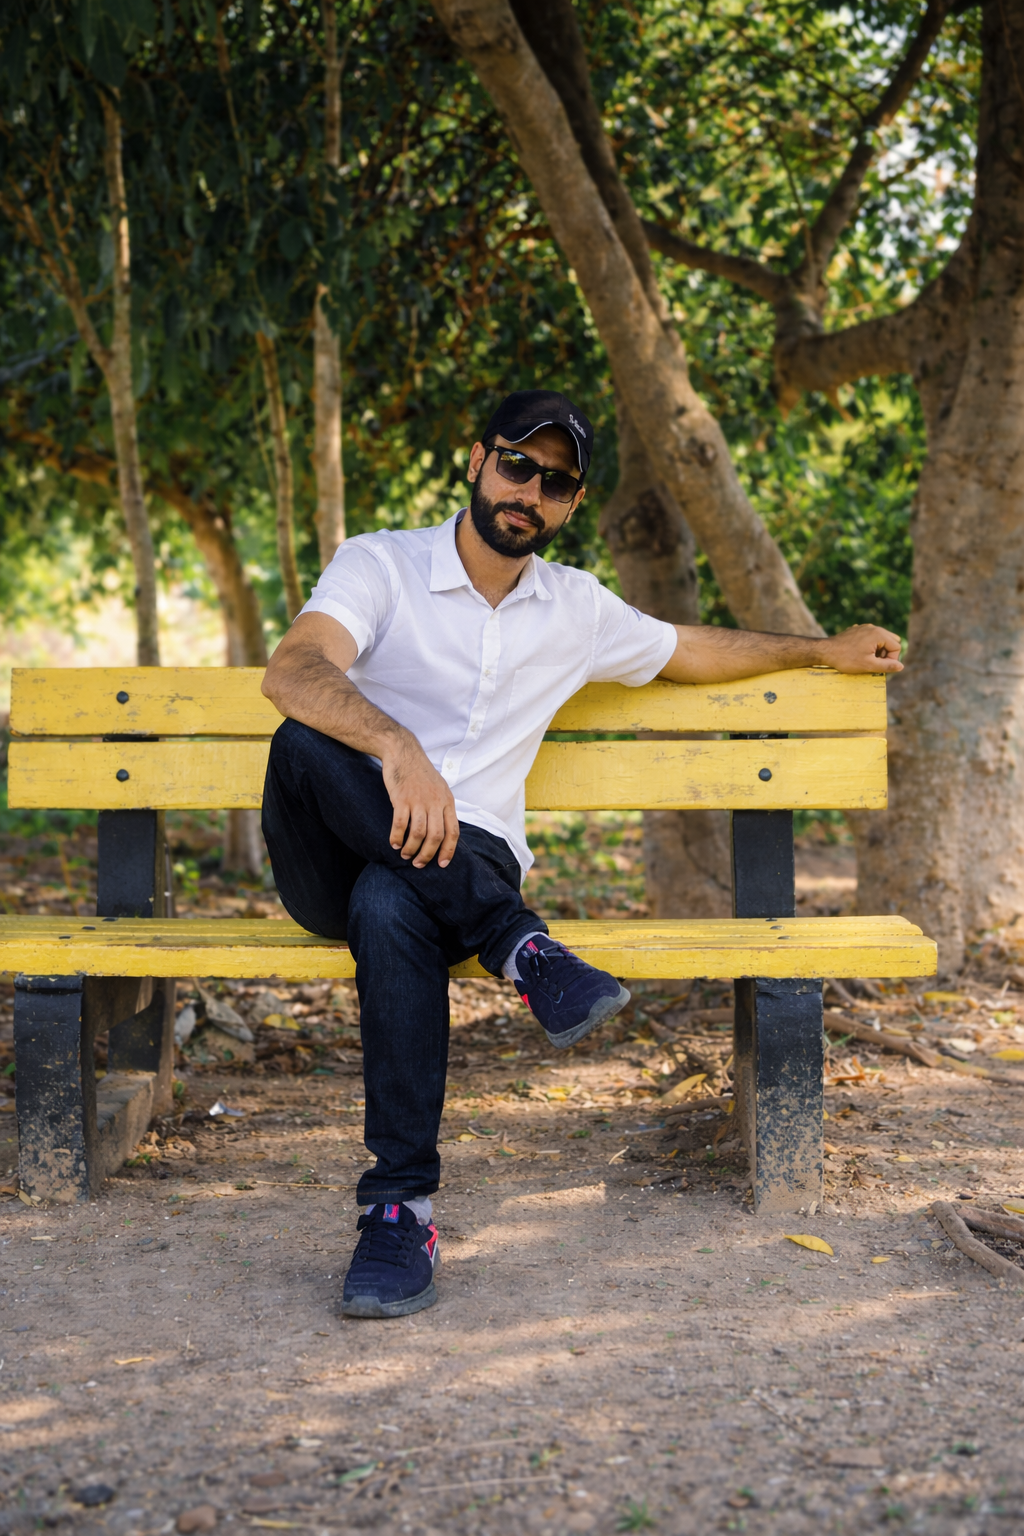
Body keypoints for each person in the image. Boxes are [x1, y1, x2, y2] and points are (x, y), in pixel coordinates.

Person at [261, 389, 902, 1319]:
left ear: (571, 503)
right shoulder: (381, 564)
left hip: (463, 856)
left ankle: (398, 1212)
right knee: (301, 742)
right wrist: (397, 749)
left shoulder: (575, 607)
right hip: (337, 846)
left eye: (556, 482)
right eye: (517, 464)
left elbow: (689, 649)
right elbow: (294, 669)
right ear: (476, 460)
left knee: (392, 903)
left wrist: (820, 651)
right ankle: (520, 945)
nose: (531, 491)